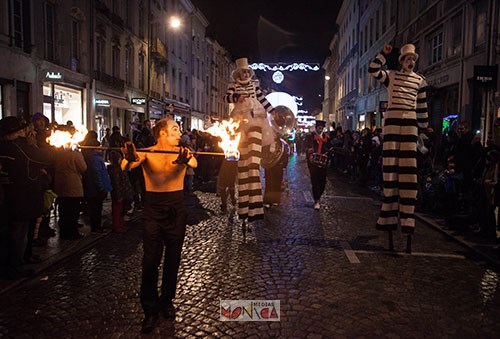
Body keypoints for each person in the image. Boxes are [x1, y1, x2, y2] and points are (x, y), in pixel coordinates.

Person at [121, 117, 197, 334]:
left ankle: (166, 301)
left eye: (179, 129)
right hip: (153, 209)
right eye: (174, 129)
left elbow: (194, 164)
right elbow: (127, 165)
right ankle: (149, 309)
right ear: (162, 133)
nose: (179, 132)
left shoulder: (183, 151)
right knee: (150, 260)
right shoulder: (148, 152)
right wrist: (129, 157)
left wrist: (185, 160)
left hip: (176, 208)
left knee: (173, 258)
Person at [368, 43, 429, 253]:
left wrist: (424, 130)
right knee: (391, 170)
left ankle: (408, 224)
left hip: (410, 122)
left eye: (413, 59)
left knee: (408, 173)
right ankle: (389, 219)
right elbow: (373, 70)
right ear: (402, 61)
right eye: (407, 59)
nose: (411, 62)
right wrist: (383, 54)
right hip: (393, 120)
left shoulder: (420, 81)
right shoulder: (392, 76)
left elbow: (422, 107)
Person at [0, 116, 54, 279]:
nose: (26, 132)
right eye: (23, 130)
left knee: (16, 232)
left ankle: (15, 262)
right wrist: (34, 144)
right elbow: (45, 157)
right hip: (19, 196)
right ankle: (14, 266)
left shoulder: (7, 146)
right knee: (17, 233)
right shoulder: (18, 147)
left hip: (15, 196)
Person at [224, 57, 275, 223]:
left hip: (256, 121)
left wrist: (273, 111)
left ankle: (255, 207)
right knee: (243, 166)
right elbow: (226, 98)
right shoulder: (234, 86)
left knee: (253, 164)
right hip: (240, 121)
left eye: (247, 72)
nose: (245, 74)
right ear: (238, 74)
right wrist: (236, 98)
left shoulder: (255, 86)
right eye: (243, 72)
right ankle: (244, 208)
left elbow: (263, 100)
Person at [82, 131, 112, 233]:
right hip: (95, 189)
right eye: (98, 146)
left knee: (96, 208)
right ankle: (96, 227)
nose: (100, 147)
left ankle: (96, 226)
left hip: (93, 188)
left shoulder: (94, 158)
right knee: (96, 209)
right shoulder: (95, 159)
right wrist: (101, 187)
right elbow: (97, 173)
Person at [304, 120, 332, 210]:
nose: (320, 130)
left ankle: (318, 196)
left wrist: (328, 153)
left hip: (323, 164)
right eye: (319, 128)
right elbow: (305, 146)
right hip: (313, 163)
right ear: (316, 128)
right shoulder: (310, 137)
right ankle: (317, 200)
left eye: (321, 128)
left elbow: (330, 148)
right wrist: (308, 150)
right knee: (315, 181)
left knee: (323, 182)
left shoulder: (327, 137)